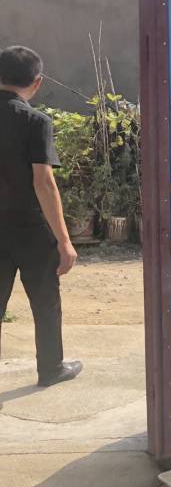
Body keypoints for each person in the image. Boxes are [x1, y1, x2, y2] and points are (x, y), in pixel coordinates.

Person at [0, 46, 82, 387]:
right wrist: (64, 240)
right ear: (37, 82)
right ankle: (51, 369)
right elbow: (44, 183)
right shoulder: (35, 121)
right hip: (31, 228)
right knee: (45, 301)